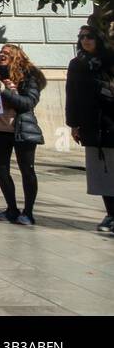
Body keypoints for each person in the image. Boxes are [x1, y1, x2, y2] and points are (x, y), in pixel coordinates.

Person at [0, 43, 45, 225]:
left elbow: (28, 103)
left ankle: (28, 212)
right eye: (0, 52)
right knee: (1, 170)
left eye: (7, 53)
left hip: (21, 129)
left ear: (17, 57)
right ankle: (11, 209)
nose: (2, 55)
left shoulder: (28, 76)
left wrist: (7, 91)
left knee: (27, 171)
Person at [65, 25, 114, 234]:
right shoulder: (77, 64)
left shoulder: (110, 60)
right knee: (101, 173)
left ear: (98, 39)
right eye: (82, 37)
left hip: (111, 120)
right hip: (91, 124)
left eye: (90, 37)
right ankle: (111, 214)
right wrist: (74, 124)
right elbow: (71, 95)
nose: (85, 40)